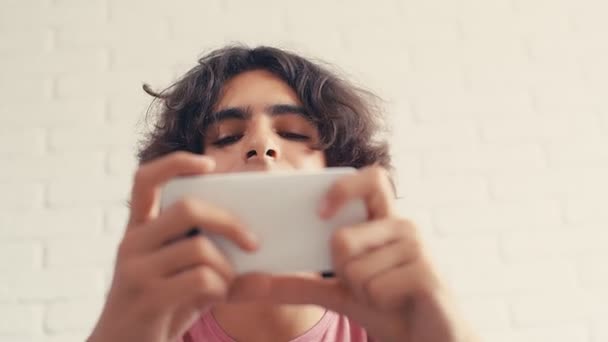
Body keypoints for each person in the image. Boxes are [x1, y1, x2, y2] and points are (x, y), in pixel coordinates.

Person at [87, 45, 477, 342]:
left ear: (341, 170)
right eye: (226, 137)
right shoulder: (147, 329)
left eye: (293, 133)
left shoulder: (395, 326)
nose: (261, 143)